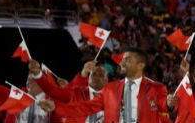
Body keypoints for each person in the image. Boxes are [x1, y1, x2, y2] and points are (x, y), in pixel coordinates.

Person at [37, 48, 171, 123]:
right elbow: (83, 108)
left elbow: (157, 113)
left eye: (101, 75)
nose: (122, 63)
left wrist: (169, 105)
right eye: (93, 75)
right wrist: (56, 107)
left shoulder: (153, 89)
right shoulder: (109, 90)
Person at [30, 60, 107, 123]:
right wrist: (38, 75)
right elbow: (53, 91)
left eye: (100, 75)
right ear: (89, 78)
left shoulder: (112, 99)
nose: (96, 77)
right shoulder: (76, 92)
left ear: (106, 81)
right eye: (93, 74)